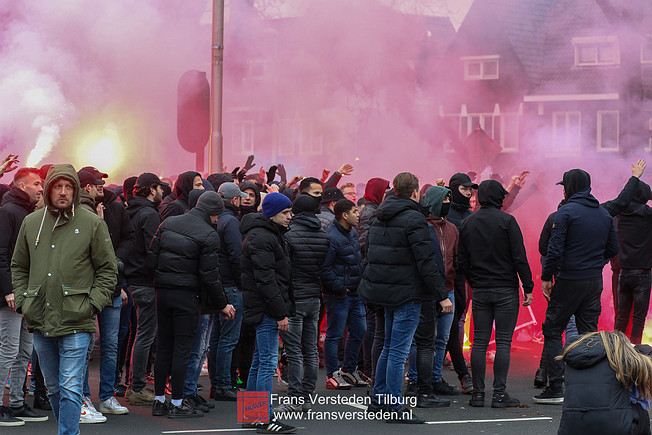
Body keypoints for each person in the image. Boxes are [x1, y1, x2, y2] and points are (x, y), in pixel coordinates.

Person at [12, 164, 117, 435]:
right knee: (54, 387)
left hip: (77, 318)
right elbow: (19, 266)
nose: (63, 192)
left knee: (70, 386)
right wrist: (25, 302)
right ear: (48, 189)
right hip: (41, 317)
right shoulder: (31, 222)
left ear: (76, 190)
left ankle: (67, 433)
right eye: (57, 186)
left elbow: (108, 270)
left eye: (68, 187)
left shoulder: (92, 222)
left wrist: (92, 304)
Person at [359, 172, 450, 424]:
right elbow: (426, 261)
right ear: (415, 192)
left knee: (389, 347)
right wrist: (442, 296)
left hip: (384, 291)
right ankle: (394, 406)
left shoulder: (379, 217)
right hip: (407, 293)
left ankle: (379, 400)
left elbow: (371, 255)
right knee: (398, 352)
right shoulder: (414, 219)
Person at [536, 169, 620, 404]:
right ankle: (588, 388)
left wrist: (547, 277)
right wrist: (594, 262)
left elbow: (554, 249)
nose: (562, 189)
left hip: (569, 279)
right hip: (594, 281)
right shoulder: (603, 214)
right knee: (588, 334)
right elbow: (613, 249)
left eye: (565, 185)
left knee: (553, 329)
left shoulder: (565, 213)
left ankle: (555, 388)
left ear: (571, 187)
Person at [148, 191, 234, 418]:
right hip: (187, 296)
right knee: (182, 350)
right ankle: (177, 403)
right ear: (213, 213)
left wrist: (160, 281)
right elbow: (210, 275)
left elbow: (152, 258)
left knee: (164, 347)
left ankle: (159, 401)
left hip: (163, 293)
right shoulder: (208, 234)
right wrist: (222, 303)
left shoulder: (168, 223)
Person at [458, 180, 534, 408]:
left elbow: (462, 261)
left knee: (479, 343)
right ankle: (499, 395)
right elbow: (519, 257)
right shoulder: (507, 221)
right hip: (505, 290)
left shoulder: (467, 222)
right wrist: (527, 287)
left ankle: (478, 394)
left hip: (481, 290)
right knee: (502, 342)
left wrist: (475, 282)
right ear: (499, 197)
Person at [79, 168, 135, 418]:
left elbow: (129, 238)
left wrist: (118, 264)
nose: (101, 185)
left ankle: (107, 396)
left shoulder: (116, 207)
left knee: (111, 345)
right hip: (86, 289)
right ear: (85, 187)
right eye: (95, 182)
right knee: (84, 346)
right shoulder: (78, 211)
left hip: (111, 286)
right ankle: (82, 398)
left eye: (102, 182)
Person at [241, 192, 296, 433]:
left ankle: (253, 414)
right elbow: (266, 280)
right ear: (272, 213)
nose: (289, 217)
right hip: (265, 308)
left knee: (258, 361)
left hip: (262, 306)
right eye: (285, 213)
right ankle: (264, 418)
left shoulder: (267, 235)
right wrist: (280, 313)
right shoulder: (263, 238)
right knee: (267, 363)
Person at [0, 168, 47, 426]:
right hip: (12, 296)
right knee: (8, 350)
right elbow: (1, 253)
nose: (41, 188)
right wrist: (8, 290)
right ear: (21, 185)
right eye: (37, 184)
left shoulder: (26, 213)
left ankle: (17, 403)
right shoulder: (8, 212)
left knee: (23, 351)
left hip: (27, 294)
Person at [275, 194, 330, 412]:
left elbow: (284, 270)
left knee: (294, 350)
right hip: (314, 297)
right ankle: (307, 396)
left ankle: (295, 398)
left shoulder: (288, 236)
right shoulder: (324, 236)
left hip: (294, 298)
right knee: (310, 349)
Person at [124, 173, 168, 407]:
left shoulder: (128, 210)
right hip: (145, 280)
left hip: (132, 278)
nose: (162, 192)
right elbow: (154, 249)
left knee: (139, 332)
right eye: (159, 188)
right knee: (145, 333)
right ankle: (137, 387)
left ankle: (134, 383)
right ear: (152, 189)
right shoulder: (149, 214)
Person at [558, 331, 651, 435]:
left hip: (570, 428)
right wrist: (637, 348)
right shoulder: (620, 357)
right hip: (614, 427)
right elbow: (648, 363)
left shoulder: (573, 358)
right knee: (641, 412)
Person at [209, 182, 248, 401]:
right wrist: (243, 283)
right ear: (234, 200)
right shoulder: (231, 221)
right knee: (228, 338)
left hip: (218, 283)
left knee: (217, 336)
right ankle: (223, 384)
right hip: (232, 285)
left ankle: (217, 383)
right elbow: (237, 255)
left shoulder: (216, 219)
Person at [322, 199, 366, 390]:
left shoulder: (353, 232)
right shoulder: (330, 236)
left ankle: (349, 369)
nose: (358, 215)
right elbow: (324, 268)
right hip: (338, 295)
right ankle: (332, 374)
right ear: (344, 215)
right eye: (354, 211)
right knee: (335, 335)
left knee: (359, 330)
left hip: (356, 293)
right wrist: (339, 288)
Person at [423, 186, 462, 397]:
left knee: (442, 339)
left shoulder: (452, 229)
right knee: (424, 339)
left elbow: (455, 258)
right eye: (444, 199)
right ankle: (418, 380)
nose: (447, 203)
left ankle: (436, 379)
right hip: (428, 292)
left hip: (449, 290)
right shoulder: (421, 227)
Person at [444, 173, 476, 394]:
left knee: (455, 324)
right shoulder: (445, 214)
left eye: (470, 190)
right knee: (446, 328)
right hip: (447, 279)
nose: (468, 193)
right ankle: (462, 374)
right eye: (464, 189)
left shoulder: (471, 215)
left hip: (464, 278)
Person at [357, 178, 390, 381]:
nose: (387, 193)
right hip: (371, 273)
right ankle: (369, 370)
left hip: (372, 272)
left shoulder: (375, 210)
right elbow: (365, 244)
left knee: (375, 326)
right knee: (373, 326)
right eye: (385, 189)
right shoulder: (370, 212)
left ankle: (370, 369)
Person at [615, 181, 652, 344]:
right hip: (642, 273)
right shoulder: (648, 214)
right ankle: (635, 353)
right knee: (638, 319)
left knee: (622, 317)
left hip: (623, 272)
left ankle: (615, 351)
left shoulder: (620, 213)